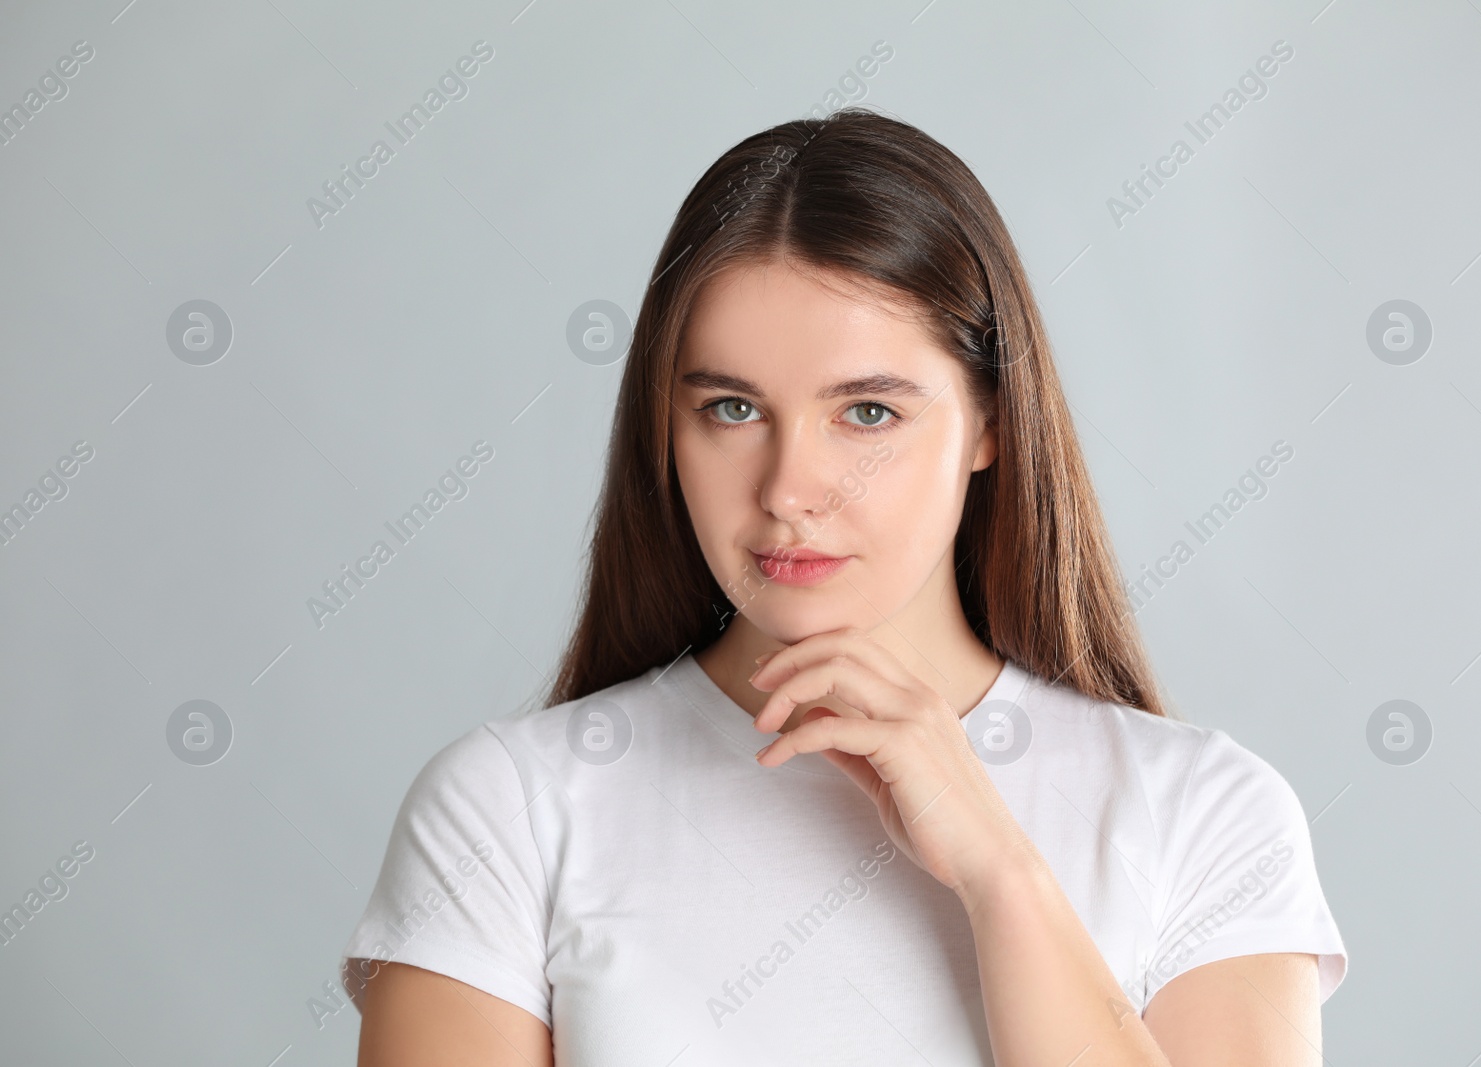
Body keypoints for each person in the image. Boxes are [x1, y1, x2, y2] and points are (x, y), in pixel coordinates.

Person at [339, 107, 1346, 1066]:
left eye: (866, 413)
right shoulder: (510, 807)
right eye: (732, 408)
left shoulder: (1204, 811)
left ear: (991, 421)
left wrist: (1000, 869)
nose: (786, 490)